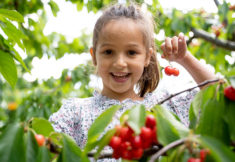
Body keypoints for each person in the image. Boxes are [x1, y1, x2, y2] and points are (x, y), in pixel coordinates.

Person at [49, 3, 216, 161]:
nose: (120, 62)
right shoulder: (75, 112)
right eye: (108, 52)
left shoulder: (165, 106)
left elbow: (219, 99)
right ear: (94, 56)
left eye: (131, 52)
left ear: (147, 57)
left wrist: (185, 59)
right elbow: (44, 148)